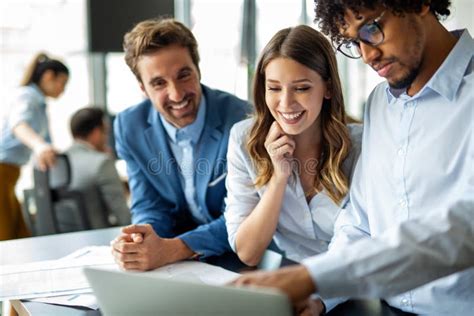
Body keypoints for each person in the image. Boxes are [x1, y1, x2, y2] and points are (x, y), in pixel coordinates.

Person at [232, 0, 473, 315]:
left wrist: (312, 277)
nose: (367, 55)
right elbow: (359, 221)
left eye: (372, 29)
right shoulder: (380, 104)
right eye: (353, 42)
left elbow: (465, 226)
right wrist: (320, 298)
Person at [224, 25, 361, 312]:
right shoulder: (243, 139)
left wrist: (322, 299)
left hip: (357, 282)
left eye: (301, 88)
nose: (285, 103)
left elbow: (364, 242)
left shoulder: (361, 145)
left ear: (328, 88)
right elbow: (248, 252)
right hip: (291, 278)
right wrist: (278, 177)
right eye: (274, 88)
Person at [110, 18, 250, 271]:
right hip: (180, 268)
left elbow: (244, 217)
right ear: (143, 88)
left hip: (241, 258)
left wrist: (173, 249)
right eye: (159, 83)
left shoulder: (243, 121)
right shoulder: (129, 126)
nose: (176, 94)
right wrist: (141, 239)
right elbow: (149, 203)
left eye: (183, 75)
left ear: (198, 70)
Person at [0, 52, 69, 241]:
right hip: (2, 172)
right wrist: (39, 146)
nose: (62, 90)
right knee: (6, 237)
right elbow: (19, 125)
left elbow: (48, 141)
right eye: (62, 83)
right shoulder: (27, 96)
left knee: (19, 234)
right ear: (48, 76)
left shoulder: (40, 104)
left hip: (10, 175)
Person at [55, 107, 131, 232]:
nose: (107, 138)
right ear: (96, 132)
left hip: (60, 242)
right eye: (105, 132)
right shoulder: (102, 163)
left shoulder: (57, 162)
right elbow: (124, 218)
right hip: (98, 241)